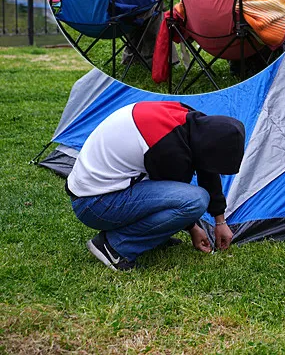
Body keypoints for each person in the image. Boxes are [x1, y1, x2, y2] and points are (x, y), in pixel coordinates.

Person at [67, 101, 245, 270]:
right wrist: (193, 228)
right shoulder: (168, 148)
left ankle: (151, 237)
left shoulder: (191, 120)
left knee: (185, 197)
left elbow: (206, 168)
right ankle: (114, 246)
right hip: (94, 205)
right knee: (196, 200)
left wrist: (220, 221)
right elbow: (178, 198)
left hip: (95, 192)